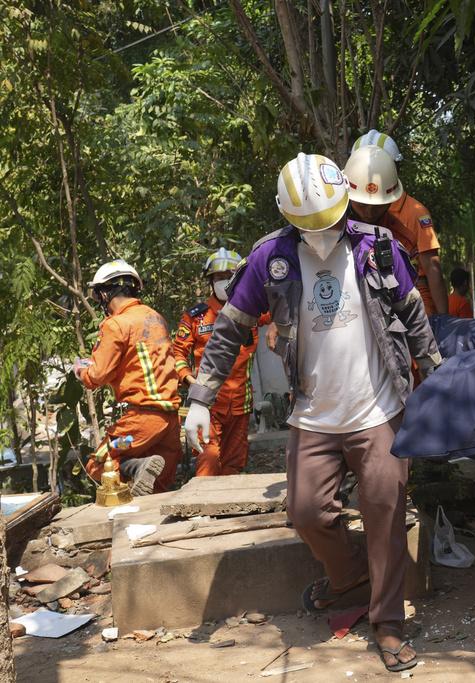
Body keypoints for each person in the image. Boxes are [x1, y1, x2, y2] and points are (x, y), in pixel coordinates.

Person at [183, 152, 441, 673]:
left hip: (377, 409)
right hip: (313, 415)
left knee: (385, 511)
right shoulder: (270, 258)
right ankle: (350, 575)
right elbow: (230, 328)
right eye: (309, 226)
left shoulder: (378, 247)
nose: (322, 235)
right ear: (288, 217)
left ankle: (388, 623)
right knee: (305, 511)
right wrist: (200, 399)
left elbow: (415, 318)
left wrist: (437, 383)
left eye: (330, 222)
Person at [75, 259, 180, 495]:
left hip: (140, 425)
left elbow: (97, 374)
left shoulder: (116, 324)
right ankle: (141, 469)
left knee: (100, 463)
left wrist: (81, 370)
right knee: (158, 489)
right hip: (170, 424)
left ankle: (136, 466)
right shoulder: (155, 317)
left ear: (105, 293)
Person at [173, 248, 268, 476]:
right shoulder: (196, 317)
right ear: (210, 281)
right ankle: (202, 499)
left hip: (241, 402)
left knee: (234, 463)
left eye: (229, 276)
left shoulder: (253, 311)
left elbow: (282, 310)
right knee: (208, 459)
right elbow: (176, 353)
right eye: (218, 277)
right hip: (207, 402)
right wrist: (189, 380)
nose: (224, 281)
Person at [351, 130, 448, 314]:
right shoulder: (344, 208)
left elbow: (432, 268)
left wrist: (444, 320)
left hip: (412, 294)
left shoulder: (415, 213)